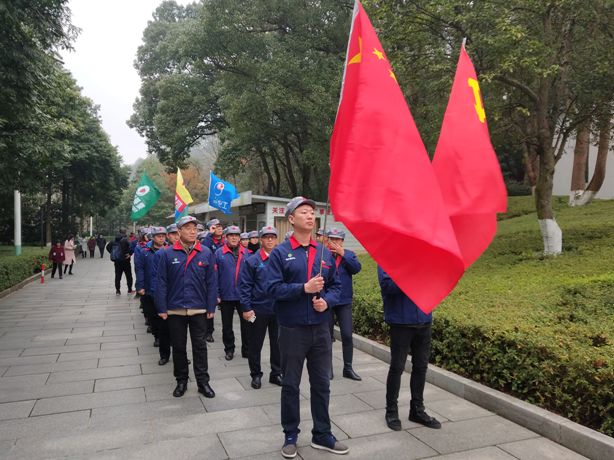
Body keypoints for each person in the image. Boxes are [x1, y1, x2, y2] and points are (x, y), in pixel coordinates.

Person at [268, 197, 346, 458]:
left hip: (320, 329)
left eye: (312, 212)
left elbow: (336, 286)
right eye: (304, 212)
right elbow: (272, 289)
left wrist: (327, 301)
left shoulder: (323, 252)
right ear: (291, 219)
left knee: (322, 383)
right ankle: (290, 434)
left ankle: (322, 433)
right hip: (292, 329)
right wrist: (304, 288)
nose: (310, 216)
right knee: (291, 384)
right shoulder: (280, 252)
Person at [155, 215, 217, 398]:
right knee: (179, 347)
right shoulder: (168, 253)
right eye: (188, 228)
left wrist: (211, 307)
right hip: (175, 308)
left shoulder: (205, 252)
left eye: (195, 228)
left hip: (199, 308)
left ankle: (203, 382)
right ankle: (181, 381)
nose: (192, 231)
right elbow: (161, 282)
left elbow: (211, 282)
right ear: (179, 231)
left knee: (200, 346)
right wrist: (161, 307)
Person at [377, 266, 441, 431]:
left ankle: (417, 410)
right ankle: (391, 411)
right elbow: (387, 285)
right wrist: (412, 273)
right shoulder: (388, 258)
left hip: (424, 317)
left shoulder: (423, 259)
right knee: (397, 367)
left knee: (421, 366)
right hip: (401, 320)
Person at [240, 226, 282, 389]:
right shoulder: (252, 261)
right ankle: (256, 375)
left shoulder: (281, 259)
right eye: (266, 237)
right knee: (255, 344)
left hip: (278, 309)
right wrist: (246, 308)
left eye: (273, 237)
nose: (270, 240)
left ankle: (276, 373)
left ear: (277, 240)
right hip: (258, 309)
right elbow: (245, 286)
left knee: (277, 344)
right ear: (261, 240)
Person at [326, 228, 362, 381]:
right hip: (327, 300)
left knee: (347, 334)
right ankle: (327, 368)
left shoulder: (349, 254)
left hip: (344, 300)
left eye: (338, 239)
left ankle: (348, 368)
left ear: (342, 241)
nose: (334, 242)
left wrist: (343, 254)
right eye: (332, 239)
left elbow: (356, 269)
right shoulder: (323, 254)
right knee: (327, 335)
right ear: (328, 240)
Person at [214, 225, 251, 361]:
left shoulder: (246, 253)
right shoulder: (219, 253)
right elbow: (215, 275)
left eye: (236, 236)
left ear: (239, 238)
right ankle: (229, 349)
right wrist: (217, 293)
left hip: (243, 295)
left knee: (247, 324)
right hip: (226, 295)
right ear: (226, 237)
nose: (234, 238)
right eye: (231, 236)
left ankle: (247, 349)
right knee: (227, 325)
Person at [150, 223, 180, 366]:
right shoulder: (160, 253)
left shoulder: (187, 252)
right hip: (166, 296)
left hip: (180, 297)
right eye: (173, 234)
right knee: (164, 329)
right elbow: (155, 277)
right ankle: (164, 355)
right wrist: (157, 297)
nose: (176, 236)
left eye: (177, 233)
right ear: (168, 236)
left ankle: (180, 355)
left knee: (180, 331)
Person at [136, 227, 168, 352]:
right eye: (158, 236)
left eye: (163, 236)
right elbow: (139, 269)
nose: (161, 238)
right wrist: (140, 286)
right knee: (154, 314)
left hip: (167, 288)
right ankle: (157, 336)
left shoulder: (169, 250)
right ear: (153, 237)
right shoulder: (145, 251)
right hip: (150, 288)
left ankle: (169, 338)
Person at [202, 218, 226, 343]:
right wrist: (209, 234)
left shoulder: (225, 241)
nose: (219, 228)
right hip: (211, 274)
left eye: (220, 226)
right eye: (215, 227)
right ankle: (209, 331)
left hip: (223, 275)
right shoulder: (208, 241)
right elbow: (203, 248)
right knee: (210, 303)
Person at [106, 230, 133, 296]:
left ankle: (118, 291)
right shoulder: (126, 239)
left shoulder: (114, 240)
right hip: (126, 260)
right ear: (125, 233)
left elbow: (107, 247)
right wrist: (129, 253)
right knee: (128, 275)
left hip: (117, 261)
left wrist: (113, 253)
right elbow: (131, 246)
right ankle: (129, 289)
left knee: (118, 276)